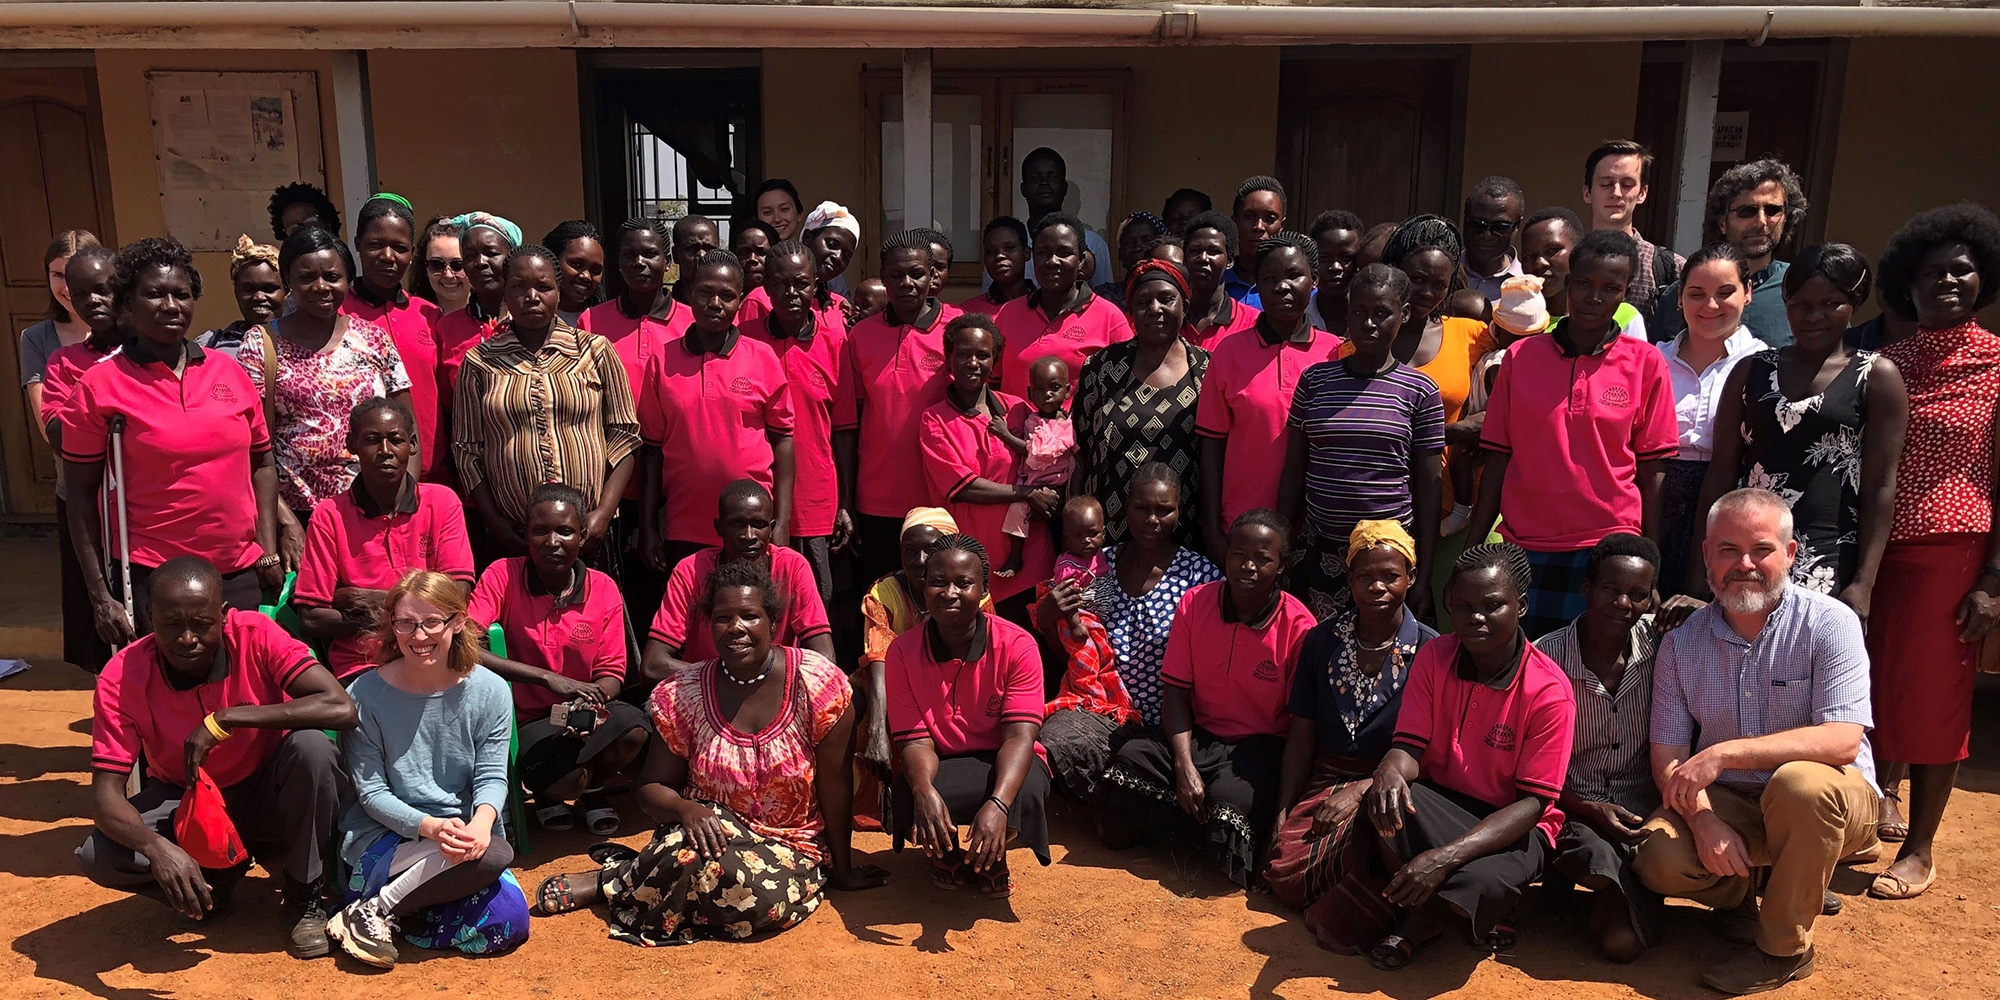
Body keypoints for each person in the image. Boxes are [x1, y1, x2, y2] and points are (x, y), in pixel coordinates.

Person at [534, 558, 889, 940]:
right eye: (723, 618)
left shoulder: (816, 684)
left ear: (773, 621)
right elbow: (651, 789)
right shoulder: (685, 693)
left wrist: (844, 869)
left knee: (762, 900)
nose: (736, 628)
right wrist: (687, 809)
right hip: (706, 830)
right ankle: (618, 878)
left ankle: (627, 876)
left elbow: (835, 788)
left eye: (750, 616)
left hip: (791, 842)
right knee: (686, 855)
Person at [1634, 488, 1879, 994]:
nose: (1744, 564)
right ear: (1706, 555)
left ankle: (1782, 950)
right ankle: (1753, 887)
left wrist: (1724, 752)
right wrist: (1702, 821)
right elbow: (1670, 757)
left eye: (1761, 549)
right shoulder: (1681, 644)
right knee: (1659, 855)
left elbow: (1841, 742)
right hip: (1735, 800)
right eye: (1728, 550)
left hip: (1829, 798)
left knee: (1800, 786)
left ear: (1790, 555)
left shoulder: (1830, 623)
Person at [77, 557, 357, 957]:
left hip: (267, 789)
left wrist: (226, 719)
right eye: (171, 623)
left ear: (224, 616)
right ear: (148, 617)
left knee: (312, 749)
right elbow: (106, 797)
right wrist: (159, 850)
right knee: (99, 856)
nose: (187, 638)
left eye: (201, 624)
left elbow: (340, 707)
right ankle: (212, 885)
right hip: (188, 801)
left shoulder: (256, 634)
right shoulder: (121, 677)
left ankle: (303, 895)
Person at [1321, 544, 1575, 968]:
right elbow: (1410, 748)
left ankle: (1425, 917)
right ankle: (1431, 913)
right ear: (1448, 605)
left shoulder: (1549, 691)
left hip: (1513, 822)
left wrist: (1442, 859)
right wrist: (1387, 770)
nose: (1476, 618)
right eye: (1463, 606)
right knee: (1382, 802)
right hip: (1442, 803)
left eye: (1492, 606)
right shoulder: (1435, 656)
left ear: (1522, 605)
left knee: (1482, 883)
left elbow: (1533, 804)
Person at [1861, 203, 2000, 901]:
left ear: (1984, 278)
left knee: (1936, 698)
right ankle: (1880, 795)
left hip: (1952, 551)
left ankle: (1920, 848)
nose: (1946, 282)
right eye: (1930, 273)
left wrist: (1994, 581)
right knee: (1873, 683)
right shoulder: (1885, 363)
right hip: (1873, 552)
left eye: (1961, 270)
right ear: (1905, 286)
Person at [61, 238, 291, 641]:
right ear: (127, 304)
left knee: (243, 689)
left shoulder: (229, 371)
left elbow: (262, 462)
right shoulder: (100, 385)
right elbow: (81, 497)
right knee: (173, 695)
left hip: (236, 569)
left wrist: (266, 548)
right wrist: (100, 597)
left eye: (181, 294)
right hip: (156, 575)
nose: (171, 306)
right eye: (154, 294)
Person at [1468, 230, 1678, 639]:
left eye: (1610, 288)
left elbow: (1654, 471)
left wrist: (1649, 560)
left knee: (1596, 677)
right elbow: (1498, 457)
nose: (1594, 297)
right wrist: (1474, 548)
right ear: (1568, 282)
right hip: (1526, 546)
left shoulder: (1646, 363)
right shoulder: (1520, 357)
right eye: (1583, 283)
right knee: (1525, 675)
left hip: (1609, 551)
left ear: (1624, 294)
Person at [1096, 510, 1315, 886]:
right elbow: (1176, 694)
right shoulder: (1195, 604)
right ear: (1224, 555)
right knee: (1130, 762)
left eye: (1262, 558)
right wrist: (1183, 766)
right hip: (1200, 736)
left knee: (1230, 802)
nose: (1248, 565)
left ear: (1281, 565)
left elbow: (1301, 729)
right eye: (1238, 553)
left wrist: (1284, 809)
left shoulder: (1299, 626)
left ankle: (1189, 835)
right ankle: (1189, 831)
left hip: (1257, 750)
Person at [328, 570, 526, 967]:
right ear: (392, 626)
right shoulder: (364, 695)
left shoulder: (490, 692)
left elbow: (491, 776)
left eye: (432, 622)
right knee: (492, 858)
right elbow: (372, 794)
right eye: (406, 623)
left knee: (510, 922)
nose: (419, 637)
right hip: (385, 839)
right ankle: (376, 910)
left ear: (457, 623)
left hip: (460, 840)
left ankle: (388, 911)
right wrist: (430, 827)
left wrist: (481, 823)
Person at [1691, 243, 1906, 605]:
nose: (1813, 316)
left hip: (1828, 558)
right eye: (1800, 304)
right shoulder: (1752, 370)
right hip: (1750, 552)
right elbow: (1722, 471)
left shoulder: (1876, 377)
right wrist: (1700, 570)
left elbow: (1881, 486)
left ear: (1853, 303)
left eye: (1830, 303)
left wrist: (1864, 583)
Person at [1264, 520, 1438, 951]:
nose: (1377, 587)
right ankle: (1377, 896)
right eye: (1365, 576)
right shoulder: (1322, 641)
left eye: (1390, 576)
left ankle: (1384, 906)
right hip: (1327, 775)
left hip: (1396, 783)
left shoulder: (1433, 652)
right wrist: (1283, 809)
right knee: (1286, 870)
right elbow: (1302, 732)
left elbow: (1429, 751)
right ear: (1349, 580)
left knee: (1378, 827)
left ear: (1411, 578)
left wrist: (1363, 789)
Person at [470, 484, 652, 834]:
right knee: (569, 779)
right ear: (526, 534)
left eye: (565, 531)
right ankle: (553, 794)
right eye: (541, 530)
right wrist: (545, 678)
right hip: (527, 718)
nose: (552, 541)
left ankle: (595, 789)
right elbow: (466, 645)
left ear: (582, 536)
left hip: (586, 710)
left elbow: (612, 671)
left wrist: (591, 700)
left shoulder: (603, 587)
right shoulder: (502, 576)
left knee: (634, 732)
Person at [1035, 464, 1222, 791]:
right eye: (1142, 508)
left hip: (1172, 728)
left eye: (1164, 510)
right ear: (1125, 506)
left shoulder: (1199, 575)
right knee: (1056, 737)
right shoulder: (1094, 565)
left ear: (1179, 511)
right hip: (1106, 713)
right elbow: (1076, 651)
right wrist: (1049, 618)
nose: (1152, 519)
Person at [887, 534, 1053, 897]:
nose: (950, 593)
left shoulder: (1018, 644)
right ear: (923, 587)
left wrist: (998, 805)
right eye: (938, 582)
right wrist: (923, 791)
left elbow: (1019, 737)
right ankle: (944, 852)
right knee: (911, 788)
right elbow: (915, 740)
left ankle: (991, 855)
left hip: (1002, 759)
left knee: (1025, 788)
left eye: (964, 583)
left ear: (983, 589)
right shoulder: (901, 652)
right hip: (942, 761)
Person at [1279, 264, 1444, 621]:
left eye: (1382, 313)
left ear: (1405, 314)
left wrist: (1424, 573)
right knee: (1319, 655)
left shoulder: (1420, 391)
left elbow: (1429, 488)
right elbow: (1294, 470)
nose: (1369, 323)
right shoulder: (1315, 381)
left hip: (1386, 559)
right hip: (1319, 551)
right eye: (1359, 312)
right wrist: (1283, 548)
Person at [455, 244, 639, 563]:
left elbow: (624, 436)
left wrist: (604, 514)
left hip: (587, 533)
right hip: (514, 535)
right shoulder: (479, 362)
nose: (531, 296)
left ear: (558, 290)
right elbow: (467, 449)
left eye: (543, 286)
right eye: (519, 286)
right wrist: (494, 522)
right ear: (504, 291)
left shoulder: (595, 351)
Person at [1535, 534, 1668, 963]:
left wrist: (1700, 610)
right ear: (1587, 588)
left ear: (1651, 599)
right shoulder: (1545, 658)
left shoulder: (1664, 649)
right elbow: (1528, 766)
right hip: (1573, 808)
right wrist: (1589, 807)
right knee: (1596, 864)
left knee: (1621, 941)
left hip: (1645, 812)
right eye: (1610, 589)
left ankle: (1620, 892)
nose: (1622, 603)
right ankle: (1589, 882)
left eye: (1637, 594)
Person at [240, 226, 414, 527]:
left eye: (332, 277)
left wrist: (404, 497)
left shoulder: (374, 340)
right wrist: (284, 521)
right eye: (306, 277)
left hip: (373, 510)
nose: (321, 287)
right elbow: (252, 447)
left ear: (347, 279)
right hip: (297, 517)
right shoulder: (262, 344)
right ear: (288, 282)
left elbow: (407, 429)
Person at [637, 249, 795, 572]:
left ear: (739, 301)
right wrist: (649, 526)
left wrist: (782, 520)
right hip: (684, 524)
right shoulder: (662, 361)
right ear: (689, 293)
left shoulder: (762, 358)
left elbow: (783, 442)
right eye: (705, 292)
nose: (715, 303)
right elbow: (651, 452)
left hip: (749, 528)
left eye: (727, 295)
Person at [295, 400, 475, 680]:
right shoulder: (329, 515)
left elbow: (457, 594)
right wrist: (417, 614)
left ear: (412, 445)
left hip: (437, 657)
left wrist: (366, 598)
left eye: (395, 440)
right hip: (364, 665)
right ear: (352, 445)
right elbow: (312, 618)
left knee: (490, 692)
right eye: (371, 440)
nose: (385, 451)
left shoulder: (442, 502)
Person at [1202, 233, 1343, 561]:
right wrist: (1211, 528)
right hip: (1242, 527)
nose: (1282, 287)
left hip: (1316, 531)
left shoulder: (1335, 352)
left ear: (1315, 280)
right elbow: (1211, 445)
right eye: (1269, 278)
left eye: (1294, 276)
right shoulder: (1229, 352)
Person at [835, 231, 963, 587]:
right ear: (882, 276)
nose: (907, 283)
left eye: (917, 274)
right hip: (876, 499)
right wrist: (846, 499)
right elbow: (851, 421)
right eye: (896, 275)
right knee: (882, 601)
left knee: (938, 600)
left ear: (932, 275)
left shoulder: (956, 329)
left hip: (938, 497)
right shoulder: (861, 335)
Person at [1375, 215, 1497, 582]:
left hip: (1450, 514)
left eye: (1439, 284)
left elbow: (1514, 407)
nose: (1427, 292)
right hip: (1375, 506)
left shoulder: (1472, 336)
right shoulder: (1362, 341)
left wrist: (1455, 432)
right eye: (1417, 279)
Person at [918, 314, 1055, 616]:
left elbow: (1049, 456)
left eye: (983, 355)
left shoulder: (1019, 408)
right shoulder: (934, 419)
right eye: (963, 354)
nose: (973, 363)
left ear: (995, 360)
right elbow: (963, 487)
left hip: (1030, 558)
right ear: (949, 358)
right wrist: (1025, 493)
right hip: (972, 561)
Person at [1073, 261, 1209, 547]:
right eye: (1143, 302)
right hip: (1110, 528)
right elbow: (1082, 451)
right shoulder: (1100, 368)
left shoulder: (1209, 370)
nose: (1155, 308)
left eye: (1166, 299)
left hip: (1186, 530)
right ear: (1131, 311)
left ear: (1184, 305)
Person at [1654, 244, 1764, 597]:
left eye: (1725, 292)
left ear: (1748, 293)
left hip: (1729, 500)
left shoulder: (1764, 364)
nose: (1710, 306)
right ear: (1679, 298)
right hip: (1657, 499)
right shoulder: (1654, 360)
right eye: (1696, 294)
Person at [643, 479, 835, 678]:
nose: (749, 535)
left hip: (773, 690)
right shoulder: (690, 570)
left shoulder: (792, 567)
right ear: (719, 527)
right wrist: (727, 679)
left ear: (771, 528)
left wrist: (758, 679)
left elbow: (825, 658)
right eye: (737, 524)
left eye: (759, 525)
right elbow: (653, 665)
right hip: (707, 691)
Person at [745, 239, 849, 597]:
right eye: (781, 284)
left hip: (817, 497)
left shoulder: (836, 341)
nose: (791, 293)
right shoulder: (745, 340)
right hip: (756, 496)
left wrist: (845, 503)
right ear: (767, 287)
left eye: (802, 283)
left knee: (816, 600)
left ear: (816, 282)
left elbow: (845, 430)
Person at [39, 244, 120, 673]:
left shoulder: (153, 351)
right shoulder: (65, 361)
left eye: (104, 290)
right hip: (92, 505)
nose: (93, 302)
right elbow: (57, 431)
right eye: (81, 294)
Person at [860, 508, 986, 780]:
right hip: (899, 692)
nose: (919, 561)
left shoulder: (973, 592)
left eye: (930, 550)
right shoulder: (884, 593)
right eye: (910, 550)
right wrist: (877, 730)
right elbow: (878, 658)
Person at [344, 196, 448, 482]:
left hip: (434, 473)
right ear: (357, 244)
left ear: (412, 253)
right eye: (376, 244)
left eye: (399, 248)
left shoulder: (429, 314)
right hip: (365, 476)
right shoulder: (338, 314)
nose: (388, 256)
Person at [1656, 158, 1809, 348]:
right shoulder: (1683, 295)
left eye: (1772, 210)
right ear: (1722, 222)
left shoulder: (1804, 289)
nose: (1761, 222)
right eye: (1747, 211)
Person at [993, 213, 1132, 394]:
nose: (1052, 261)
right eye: (1043, 253)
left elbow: (1127, 387)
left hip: (1078, 423)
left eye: (1064, 253)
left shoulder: (1109, 318)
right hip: (1013, 423)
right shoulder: (1008, 314)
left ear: (1081, 260)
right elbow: (991, 383)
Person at [987, 355, 1074, 577]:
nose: (1047, 394)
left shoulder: (1066, 424)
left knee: (1062, 528)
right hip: (1032, 482)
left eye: (1054, 388)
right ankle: (1016, 555)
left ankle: (1067, 567)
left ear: (1067, 391)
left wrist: (1005, 434)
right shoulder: (1031, 417)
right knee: (1018, 510)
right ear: (1029, 394)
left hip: (1055, 484)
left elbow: (1037, 452)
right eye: (1040, 389)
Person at [1581, 139, 1682, 329]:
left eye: (1627, 184)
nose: (1616, 193)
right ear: (1587, 192)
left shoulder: (1669, 268)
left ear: (1642, 193)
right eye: (1606, 184)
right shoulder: (1568, 262)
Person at [1517, 207, 1650, 343]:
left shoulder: (1624, 316)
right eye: (1529, 255)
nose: (1540, 263)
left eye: (1552, 250)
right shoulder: (1516, 317)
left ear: (1577, 252)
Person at [436, 212, 520, 401]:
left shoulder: (534, 324)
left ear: (512, 258)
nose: (480, 262)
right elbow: (446, 405)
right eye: (470, 255)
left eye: (491, 253)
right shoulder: (447, 329)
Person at [19, 230, 101, 422]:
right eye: (58, 275)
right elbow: (48, 427)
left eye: (76, 275)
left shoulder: (129, 329)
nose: (67, 287)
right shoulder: (35, 338)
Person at [1014, 146, 1112, 287]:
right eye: (1036, 178)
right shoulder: (1009, 245)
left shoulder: (1094, 244)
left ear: (1064, 188)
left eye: (1052, 177)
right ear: (1023, 189)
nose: (1044, 183)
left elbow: (1103, 299)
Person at [197, 235, 288, 358]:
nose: (259, 297)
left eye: (269, 289)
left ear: (286, 290)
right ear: (236, 291)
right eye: (249, 289)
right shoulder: (210, 344)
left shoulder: (304, 343)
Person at [1182, 211, 1262, 349]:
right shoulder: (1170, 320)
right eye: (1194, 251)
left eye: (1213, 251)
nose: (1203, 258)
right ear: (1184, 260)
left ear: (1230, 261)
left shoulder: (1253, 323)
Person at [1223, 176, 1287, 306]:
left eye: (1270, 218)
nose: (1259, 227)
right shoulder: (1215, 282)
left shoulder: (1295, 289)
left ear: (1282, 226)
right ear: (1234, 222)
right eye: (1249, 216)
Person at [1461, 176, 1526, 303]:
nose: (1486, 235)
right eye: (1477, 224)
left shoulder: (1530, 286)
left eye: (1500, 227)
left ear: (1517, 226)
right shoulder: (1439, 278)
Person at [1305, 210, 1363, 335]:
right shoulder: (1299, 317)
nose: (1335, 267)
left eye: (1346, 258)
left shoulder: (1368, 322)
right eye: (1324, 258)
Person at [960, 216, 1032, 316]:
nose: (999, 256)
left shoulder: (1043, 305)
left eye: (1009, 248)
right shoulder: (969, 311)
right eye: (991, 251)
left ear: (1027, 253)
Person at [543, 219, 606, 325]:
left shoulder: (605, 321)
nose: (586, 276)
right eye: (576, 264)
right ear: (552, 261)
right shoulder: (528, 319)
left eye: (595, 270)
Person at [410, 217, 470, 318]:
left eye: (458, 265)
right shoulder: (410, 317)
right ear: (426, 268)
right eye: (436, 265)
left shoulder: (495, 318)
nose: (448, 275)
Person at [803, 200, 861, 301]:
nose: (838, 257)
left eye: (846, 255)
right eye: (831, 245)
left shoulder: (838, 305)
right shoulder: (773, 293)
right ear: (807, 238)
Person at [668, 215, 722, 305]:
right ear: (675, 254)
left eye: (709, 249)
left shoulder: (730, 310)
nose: (701, 255)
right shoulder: (664, 310)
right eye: (692, 249)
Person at [269, 181, 342, 242]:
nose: (304, 231)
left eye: (310, 221)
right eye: (294, 229)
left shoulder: (343, 258)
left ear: (328, 224)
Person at [731, 219, 779, 298]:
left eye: (762, 252)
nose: (752, 258)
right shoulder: (721, 305)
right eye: (743, 252)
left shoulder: (785, 305)